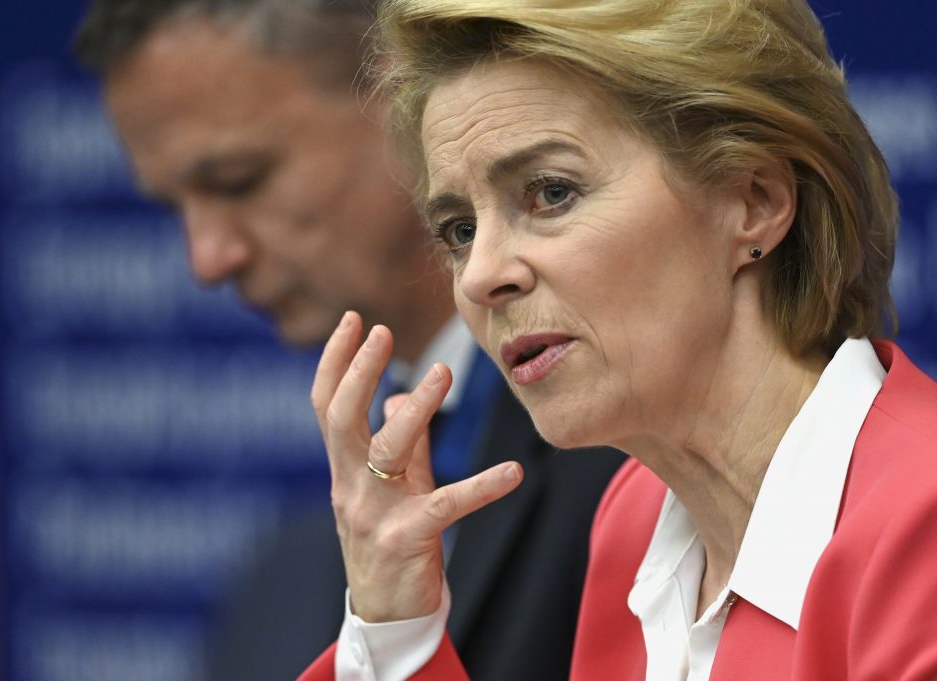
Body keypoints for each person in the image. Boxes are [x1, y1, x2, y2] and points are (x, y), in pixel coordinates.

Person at [299, 0, 937, 679]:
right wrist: (394, 623)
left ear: (754, 201)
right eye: (459, 231)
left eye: (551, 192)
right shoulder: (636, 514)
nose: (481, 275)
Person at [72, 2, 624, 680]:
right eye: (177, 205)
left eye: (239, 180)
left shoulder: (649, 460)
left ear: (407, 103)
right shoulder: (278, 593)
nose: (207, 257)